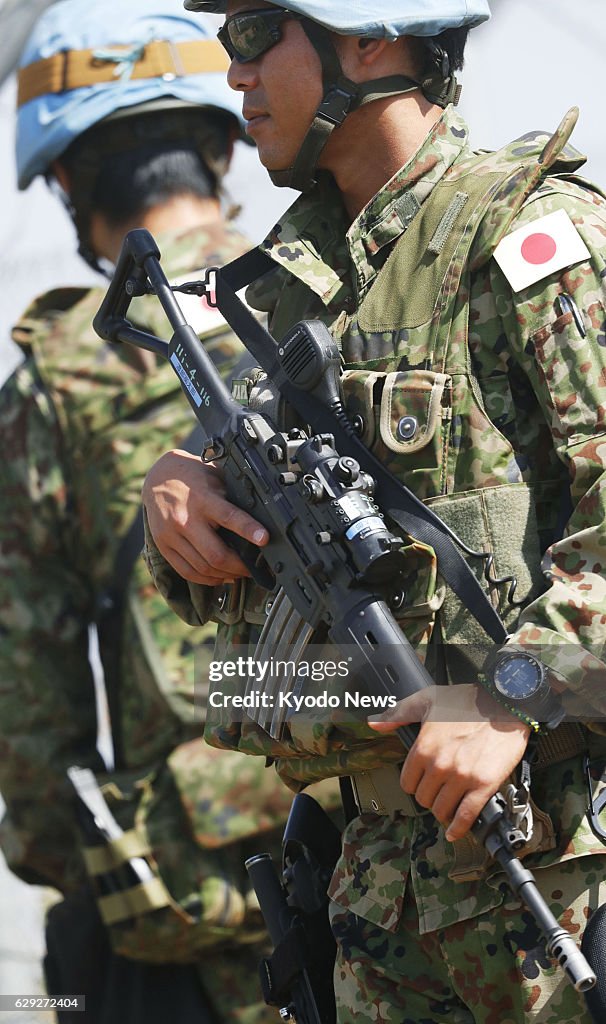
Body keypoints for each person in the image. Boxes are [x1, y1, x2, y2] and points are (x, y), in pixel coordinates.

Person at [141, 1, 606, 1022]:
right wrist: (179, 501)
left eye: (258, 36)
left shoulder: (525, 237)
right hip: (373, 885)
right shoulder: (302, 282)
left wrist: (510, 693)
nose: (236, 78)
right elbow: (262, 573)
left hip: (551, 876)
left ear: (368, 40)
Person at [0, 2, 307, 1021]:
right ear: (222, 147)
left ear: (63, 179)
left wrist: (80, 870)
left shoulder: (61, 376)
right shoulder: (323, 298)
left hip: (190, 900)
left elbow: (28, 683)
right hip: (398, 862)